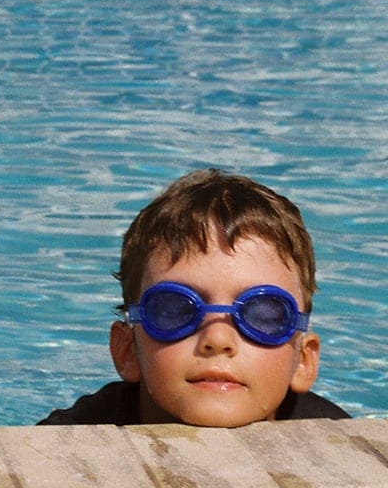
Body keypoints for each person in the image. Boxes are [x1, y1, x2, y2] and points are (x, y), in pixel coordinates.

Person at [39, 167, 348, 426]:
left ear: (303, 361)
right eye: (175, 309)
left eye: (263, 314)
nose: (217, 339)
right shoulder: (69, 440)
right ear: (127, 351)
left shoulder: (339, 445)